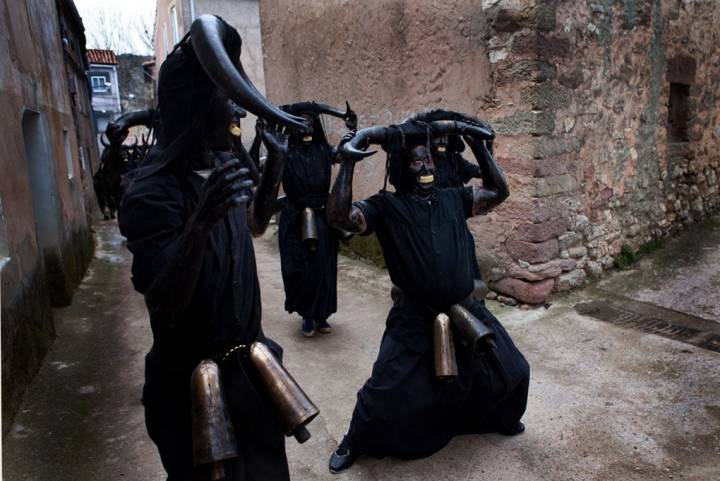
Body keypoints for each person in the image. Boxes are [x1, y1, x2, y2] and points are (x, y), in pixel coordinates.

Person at [118, 15, 308, 481]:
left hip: (250, 375)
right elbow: (162, 307)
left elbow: (255, 225)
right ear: (199, 110)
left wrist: (274, 170)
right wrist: (199, 224)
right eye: (229, 103)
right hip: (192, 386)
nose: (239, 115)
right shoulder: (150, 192)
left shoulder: (226, 162)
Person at [325, 118, 530, 473]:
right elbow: (339, 217)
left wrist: (478, 145)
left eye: (429, 161)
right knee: (386, 390)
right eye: (417, 161)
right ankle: (355, 439)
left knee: (513, 370)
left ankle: (498, 418)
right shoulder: (386, 207)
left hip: (465, 310)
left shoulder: (455, 199)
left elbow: (499, 192)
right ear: (403, 167)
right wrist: (347, 164)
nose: (426, 167)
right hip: (415, 316)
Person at [276, 102, 357, 337]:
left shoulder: (325, 151)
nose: (306, 129)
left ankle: (320, 316)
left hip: (322, 218)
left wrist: (351, 130)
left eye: (310, 123)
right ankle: (306, 316)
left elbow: (345, 153)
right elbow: (265, 170)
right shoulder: (285, 152)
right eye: (300, 123)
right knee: (299, 268)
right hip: (295, 218)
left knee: (323, 267)